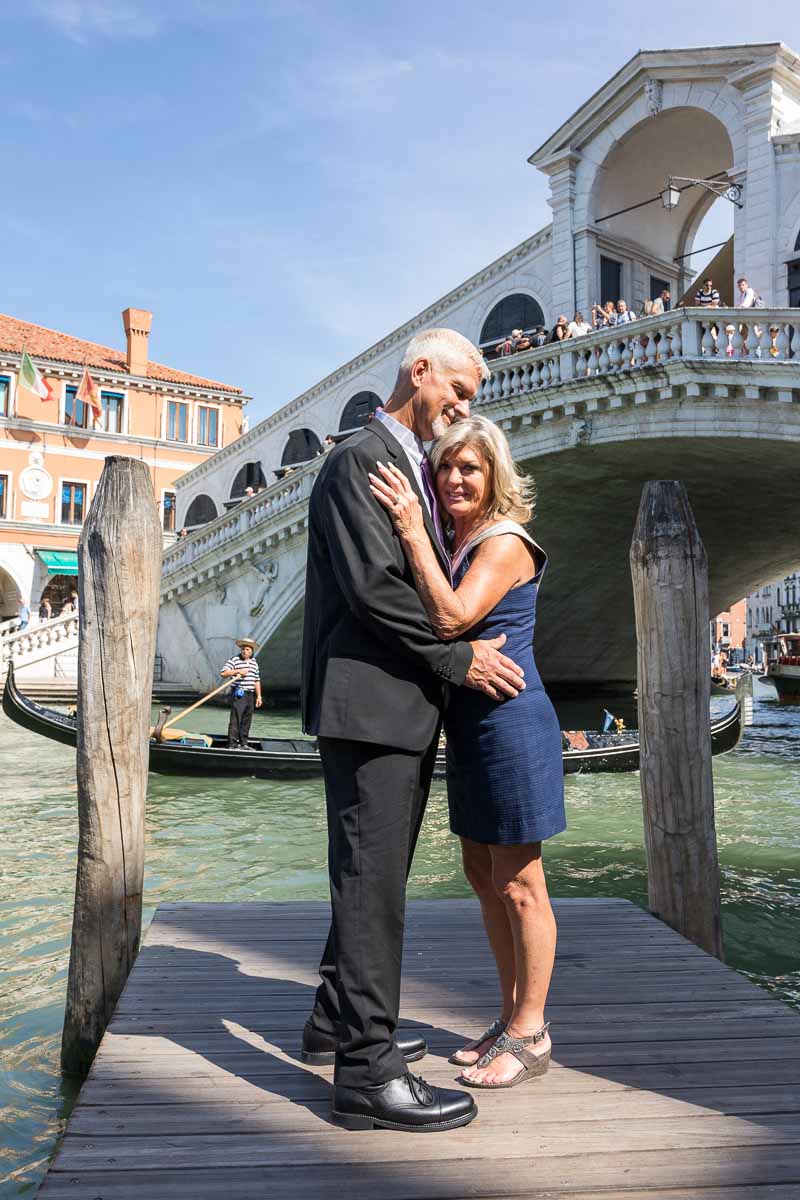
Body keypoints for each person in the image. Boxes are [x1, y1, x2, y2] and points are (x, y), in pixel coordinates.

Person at [300, 327, 525, 1133]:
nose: (462, 410)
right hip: (371, 706)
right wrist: (460, 660)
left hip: (389, 707)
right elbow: (373, 592)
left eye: (471, 400)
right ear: (419, 371)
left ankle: (335, 1023)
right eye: (458, 391)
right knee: (370, 887)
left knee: (372, 878)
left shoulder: (402, 466)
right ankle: (366, 1070)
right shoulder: (363, 459)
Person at [370, 414, 565, 1090]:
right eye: (446, 466)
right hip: (472, 727)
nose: (455, 478)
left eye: (470, 468)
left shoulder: (504, 541)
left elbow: (451, 617)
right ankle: (509, 1016)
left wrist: (411, 531)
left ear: (494, 477)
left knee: (520, 884)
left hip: (511, 723)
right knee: (484, 878)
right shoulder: (465, 540)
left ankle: (532, 1032)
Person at [221, 637, 262, 749]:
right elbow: (223, 673)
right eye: (243, 649)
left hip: (250, 695)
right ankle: (232, 744)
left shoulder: (254, 663)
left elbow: (256, 680)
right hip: (239, 693)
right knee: (236, 719)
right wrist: (238, 671)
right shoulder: (235, 660)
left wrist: (259, 696)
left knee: (246, 720)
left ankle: (244, 743)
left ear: (252, 651)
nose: (245, 651)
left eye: (248, 649)